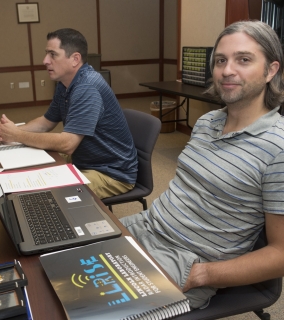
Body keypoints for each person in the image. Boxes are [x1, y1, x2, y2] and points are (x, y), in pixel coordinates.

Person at [121, 20, 284, 310]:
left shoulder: (278, 148)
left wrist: (201, 275)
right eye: (221, 60)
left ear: (271, 70)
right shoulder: (208, 122)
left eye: (243, 59)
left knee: (83, 311)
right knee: (53, 262)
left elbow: (281, 253)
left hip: (185, 263)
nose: (227, 70)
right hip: (145, 227)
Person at [0, 28, 138, 199]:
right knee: (27, 167)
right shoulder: (65, 83)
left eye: (53, 54)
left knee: (47, 196)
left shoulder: (87, 87)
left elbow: (68, 144)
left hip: (111, 173)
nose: (45, 60)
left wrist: (17, 134)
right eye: (46, 54)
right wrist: (9, 133)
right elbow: (46, 122)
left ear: (75, 59)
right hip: (85, 160)